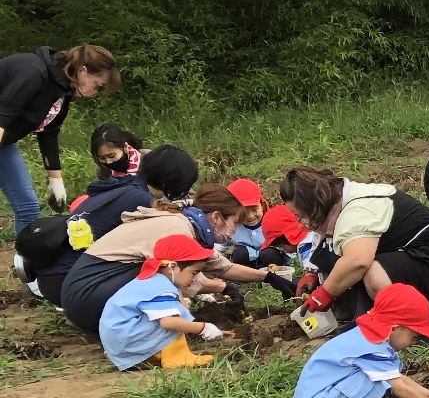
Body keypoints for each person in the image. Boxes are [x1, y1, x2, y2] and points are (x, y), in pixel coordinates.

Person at [60, 167, 276, 338]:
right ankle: (149, 332)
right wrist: (222, 287)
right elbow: (179, 275)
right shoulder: (179, 230)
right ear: (217, 217)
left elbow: (222, 267)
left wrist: (268, 277)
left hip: (85, 292)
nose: (234, 231)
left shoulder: (186, 224)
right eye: (234, 222)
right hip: (89, 295)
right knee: (162, 275)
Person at [282, 168, 429, 326]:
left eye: (303, 216)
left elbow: (357, 262)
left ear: (314, 207)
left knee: (371, 270)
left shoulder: (358, 209)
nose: (302, 222)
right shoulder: (336, 201)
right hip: (415, 256)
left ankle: (403, 326)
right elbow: (324, 241)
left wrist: (323, 294)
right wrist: (311, 272)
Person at [12, 140, 163, 305]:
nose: (108, 162)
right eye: (103, 158)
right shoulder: (138, 197)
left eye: (111, 155)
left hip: (53, 283)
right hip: (70, 287)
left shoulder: (108, 190)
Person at [0, 43, 118, 230]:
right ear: (82, 71)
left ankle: (25, 259)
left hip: (4, 144)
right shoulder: (32, 73)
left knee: (28, 208)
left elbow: (49, 132)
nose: (93, 93)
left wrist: (56, 181)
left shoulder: (62, 91)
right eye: (95, 85)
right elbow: (2, 117)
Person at [292, 283, 429, 398]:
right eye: (414, 336)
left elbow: (397, 378)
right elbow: (398, 386)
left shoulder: (367, 337)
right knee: (377, 380)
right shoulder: (373, 348)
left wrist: (428, 395)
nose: (414, 342)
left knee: (382, 377)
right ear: (395, 328)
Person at [98, 235, 231, 370]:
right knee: (173, 317)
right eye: (194, 273)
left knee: (176, 310)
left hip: (122, 341)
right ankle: (177, 358)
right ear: (172, 267)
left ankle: (158, 356)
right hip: (126, 339)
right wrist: (204, 328)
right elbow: (168, 323)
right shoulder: (161, 287)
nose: (196, 279)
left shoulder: (154, 281)